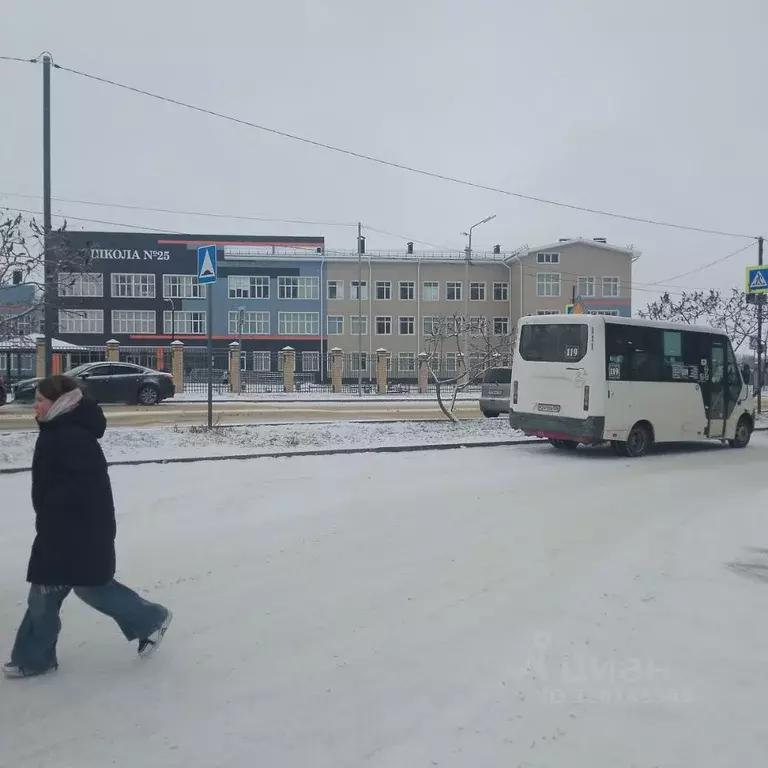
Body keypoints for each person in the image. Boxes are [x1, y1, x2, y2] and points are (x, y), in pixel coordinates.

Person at [3, 375, 172, 679]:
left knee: (85, 589)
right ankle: (35, 657)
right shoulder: (60, 431)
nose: (35, 407)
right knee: (50, 593)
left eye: (40, 400)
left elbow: (82, 492)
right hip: (65, 531)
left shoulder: (69, 436)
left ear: (59, 403)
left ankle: (151, 618)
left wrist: (59, 527)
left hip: (74, 533)